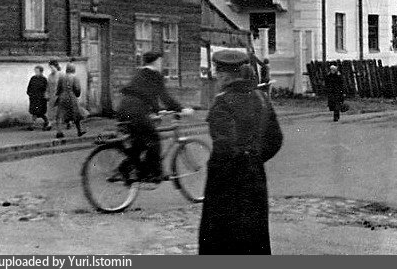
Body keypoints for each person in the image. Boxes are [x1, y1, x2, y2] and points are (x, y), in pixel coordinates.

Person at [199, 49, 283, 255]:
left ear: (224, 75)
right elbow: (275, 140)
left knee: (221, 241)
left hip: (226, 184)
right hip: (255, 178)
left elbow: (225, 147)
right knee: (254, 237)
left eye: (217, 73)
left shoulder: (222, 103)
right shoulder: (262, 98)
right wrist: (254, 157)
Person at [118, 51, 193, 183]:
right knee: (154, 138)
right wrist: (181, 109)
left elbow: (145, 94)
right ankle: (153, 174)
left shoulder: (140, 73)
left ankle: (128, 168)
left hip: (123, 110)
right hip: (137, 112)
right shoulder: (155, 75)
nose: (161, 64)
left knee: (140, 141)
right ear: (156, 62)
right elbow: (164, 97)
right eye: (160, 61)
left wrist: (157, 111)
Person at [54, 63, 85, 138]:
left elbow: (58, 88)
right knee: (76, 114)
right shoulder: (75, 77)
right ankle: (79, 131)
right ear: (73, 69)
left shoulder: (62, 77)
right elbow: (77, 89)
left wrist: (59, 95)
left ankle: (59, 132)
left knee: (60, 114)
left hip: (62, 96)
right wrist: (77, 95)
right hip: (71, 96)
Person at [26, 65, 50, 131]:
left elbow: (46, 89)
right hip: (34, 98)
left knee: (40, 112)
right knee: (34, 112)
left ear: (41, 72)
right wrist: (29, 93)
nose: (36, 72)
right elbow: (29, 87)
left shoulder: (44, 79)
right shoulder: (33, 78)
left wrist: (45, 96)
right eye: (35, 71)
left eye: (37, 71)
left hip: (41, 99)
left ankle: (47, 122)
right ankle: (33, 125)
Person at [45, 59, 62, 129]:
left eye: (52, 67)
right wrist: (47, 94)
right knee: (51, 110)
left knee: (60, 110)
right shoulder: (50, 76)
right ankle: (50, 124)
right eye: (50, 68)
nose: (51, 69)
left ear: (56, 67)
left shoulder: (61, 75)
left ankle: (68, 122)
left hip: (59, 95)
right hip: (52, 95)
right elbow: (47, 86)